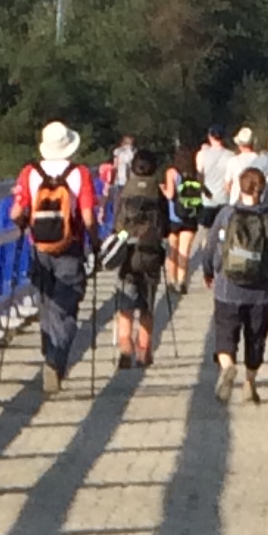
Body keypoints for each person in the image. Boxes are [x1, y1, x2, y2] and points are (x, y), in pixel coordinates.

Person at [11, 120, 102, 394]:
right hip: (70, 248)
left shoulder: (30, 172)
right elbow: (88, 217)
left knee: (47, 304)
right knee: (67, 307)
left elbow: (16, 213)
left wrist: (23, 225)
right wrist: (96, 242)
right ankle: (55, 358)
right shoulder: (79, 173)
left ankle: (49, 351)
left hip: (39, 248)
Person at [202, 163, 268, 405]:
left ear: (239, 187)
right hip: (261, 293)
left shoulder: (226, 215)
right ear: (262, 191)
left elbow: (210, 246)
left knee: (225, 335)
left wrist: (208, 271)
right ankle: (250, 383)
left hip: (227, 288)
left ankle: (227, 366)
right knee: (256, 339)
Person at [111, 147, 171, 371]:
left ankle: (125, 347)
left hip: (128, 255)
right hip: (151, 255)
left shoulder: (124, 193)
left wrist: (123, 237)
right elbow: (166, 228)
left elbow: (117, 227)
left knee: (125, 305)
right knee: (147, 306)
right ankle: (144, 352)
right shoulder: (158, 194)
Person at [168, 147, 209, 294]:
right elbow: (204, 192)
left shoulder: (172, 173)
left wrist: (163, 189)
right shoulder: (196, 174)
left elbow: (170, 194)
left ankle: (172, 281)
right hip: (190, 217)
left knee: (173, 251)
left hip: (173, 217)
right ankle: (182, 281)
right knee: (184, 251)